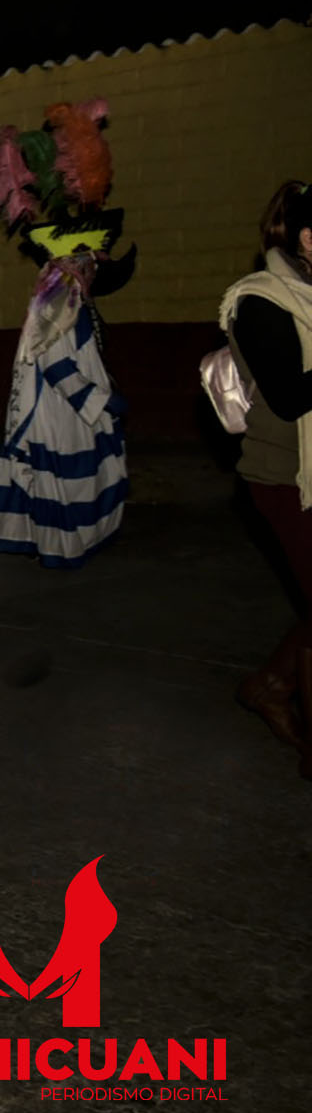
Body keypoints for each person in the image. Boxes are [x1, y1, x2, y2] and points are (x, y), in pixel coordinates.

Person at [0, 102, 131, 566]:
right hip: (59, 408)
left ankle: (75, 540)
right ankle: (60, 546)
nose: (94, 267)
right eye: (90, 261)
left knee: (81, 473)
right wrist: (97, 402)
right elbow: (53, 357)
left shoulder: (70, 289)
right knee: (60, 475)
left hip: (71, 404)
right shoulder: (59, 292)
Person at [222, 178, 312, 774]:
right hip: (287, 477)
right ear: (307, 237)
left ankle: (272, 685)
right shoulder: (261, 300)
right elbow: (287, 395)